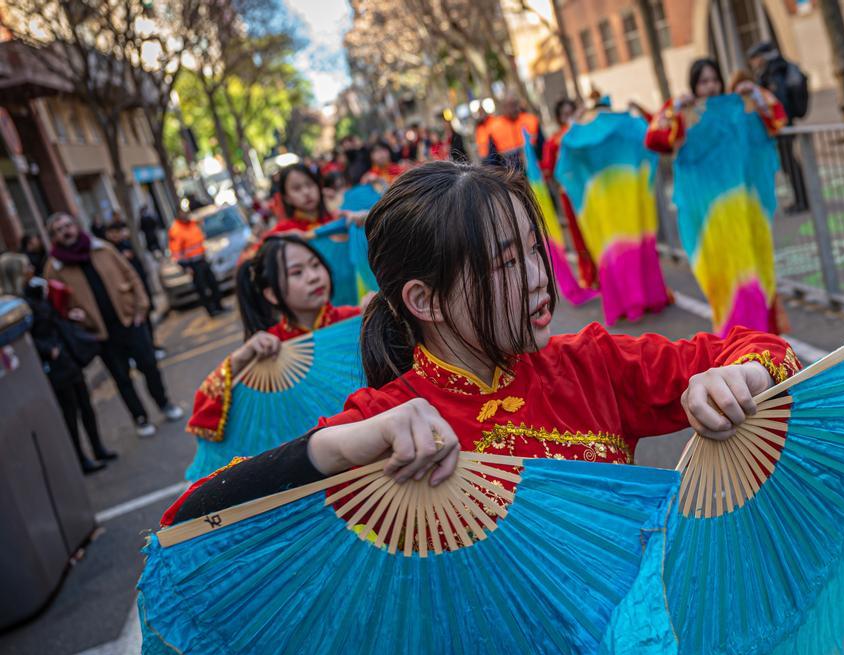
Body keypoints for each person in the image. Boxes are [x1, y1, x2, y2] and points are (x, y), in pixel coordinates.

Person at [160, 160, 800, 527]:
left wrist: (739, 377)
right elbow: (187, 519)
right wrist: (334, 448)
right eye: (503, 264)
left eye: (532, 249)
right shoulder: (391, 423)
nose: (536, 279)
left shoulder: (589, 362)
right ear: (424, 301)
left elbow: (760, 347)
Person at [646, 59, 789, 336]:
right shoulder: (685, 114)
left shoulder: (739, 109)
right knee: (723, 276)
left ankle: (761, 338)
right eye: (703, 81)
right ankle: (736, 338)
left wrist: (755, 93)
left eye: (714, 80)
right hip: (709, 217)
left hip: (745, 212)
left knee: (753, 270)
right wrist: (674, 107)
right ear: (693, 85)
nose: (710, 87)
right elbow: (655, 139)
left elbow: (777, 118)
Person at [187, 236, 361, 445]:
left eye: (316, 265)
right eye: (297, 272)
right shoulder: (269, 347)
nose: (313, 277)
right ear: (272, 294)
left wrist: (381, 314)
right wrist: (241, 358)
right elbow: (204, 415)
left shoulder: (357, 320)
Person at [45, 212, 184, 437]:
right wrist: (72, 315)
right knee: (121, 378)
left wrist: (141, 307)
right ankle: (140, 418)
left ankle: (164, 403)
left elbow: (132, 276)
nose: (66, 231)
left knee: (149, 364)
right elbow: (56, 306)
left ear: (76, 225)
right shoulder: (54, 267)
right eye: (59, 230)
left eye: (68, 225)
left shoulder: (102, 249)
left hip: (130, 321)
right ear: (54, 237)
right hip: (99, 333)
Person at [0, 252, 116, 474]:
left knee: (85, 405)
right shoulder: (16, 306)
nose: (31, 270)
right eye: (25, 267)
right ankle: (80, 459)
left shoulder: (35, 292)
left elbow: (53, 318)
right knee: (69, 414)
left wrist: (68, 315)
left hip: (66, 356)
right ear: (16, 273)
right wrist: (48, 350)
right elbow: (26, 339)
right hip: (52, 365)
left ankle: (98, 448)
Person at [540, 97, 597, 290]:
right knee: (579, 235)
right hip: (570, 195)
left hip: (591, 192)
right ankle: (589, 275)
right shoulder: (555, 140)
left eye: (571, 113)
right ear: (558, 118)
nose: (568, 118)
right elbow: (547, 168)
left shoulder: (585, 132)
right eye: (564, 115)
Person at [747, 41, 809, 214]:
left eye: (754, 58)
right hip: (783, 125)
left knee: (789, 163)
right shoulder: (774, 69)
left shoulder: (774, 71)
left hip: (782, 125)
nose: (753, 62)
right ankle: (802, 198)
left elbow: (779, 99)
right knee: (789, 162)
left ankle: (802, 200)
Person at [106, 220, 166, 357]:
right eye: (114, 232)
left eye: (119, 232)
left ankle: (152, 346)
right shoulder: (110, 252)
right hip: (128, 296)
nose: (118, 235)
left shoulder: (126, 244)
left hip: (140, 288)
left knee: (147, 320)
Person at [266, 164, 364, 237]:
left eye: (309, 184)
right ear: (286, 198)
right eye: (296, 188)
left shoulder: (339, 218)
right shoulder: (283, 233)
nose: (306, 192)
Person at [168, 205, 227, 317]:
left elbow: (200, 238)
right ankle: (211, 311)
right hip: (192, 264)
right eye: (182, 214)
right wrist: (185, 267)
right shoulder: (175, 230)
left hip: (202, 259)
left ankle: (219, 306)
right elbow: (176, 253)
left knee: (213, 284)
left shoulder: (193, 224)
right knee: (202, 289)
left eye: (185, 213)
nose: (185, 216)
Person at [482, 94, 543, 166]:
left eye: (515, 105)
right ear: (503, 108)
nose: (513, 109)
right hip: (511, 173)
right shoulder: (494, 128)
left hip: (535, 168)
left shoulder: (531, 120)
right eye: (510, 106)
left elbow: (543, 146)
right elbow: (492, 159)